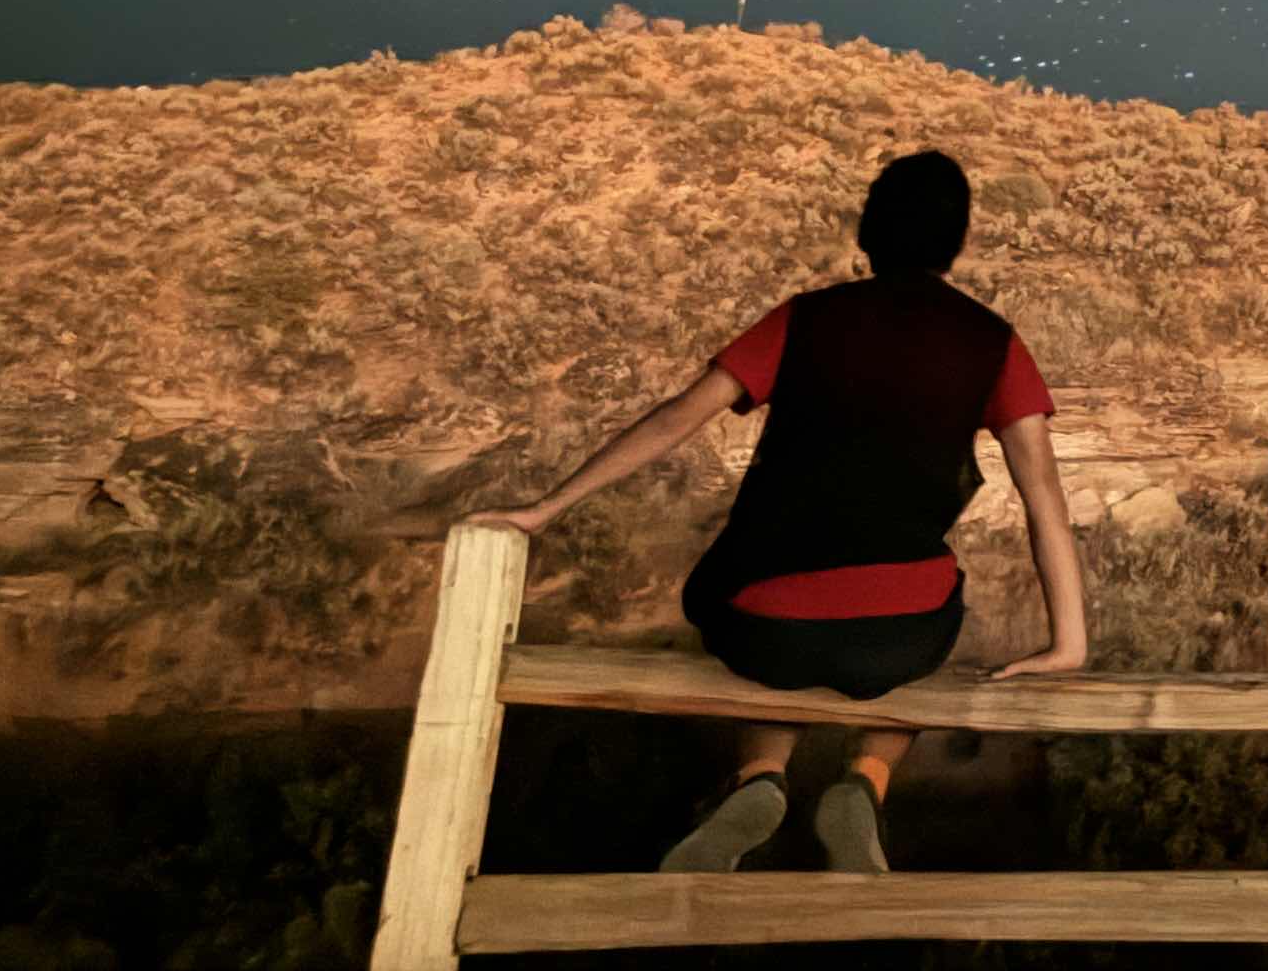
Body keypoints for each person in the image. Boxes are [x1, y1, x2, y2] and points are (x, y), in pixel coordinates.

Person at [465, 148, 1089, 875]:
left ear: (868, 232)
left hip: (771, 623)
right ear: (958, 242)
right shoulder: (992, 342)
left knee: (775, 631)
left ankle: (761, 777)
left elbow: (674, 420)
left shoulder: (806, 319)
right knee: (929, 618)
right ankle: (865, 782)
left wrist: (546, 508)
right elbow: (1043, 495)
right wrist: (1067, 642)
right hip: (900, 633)